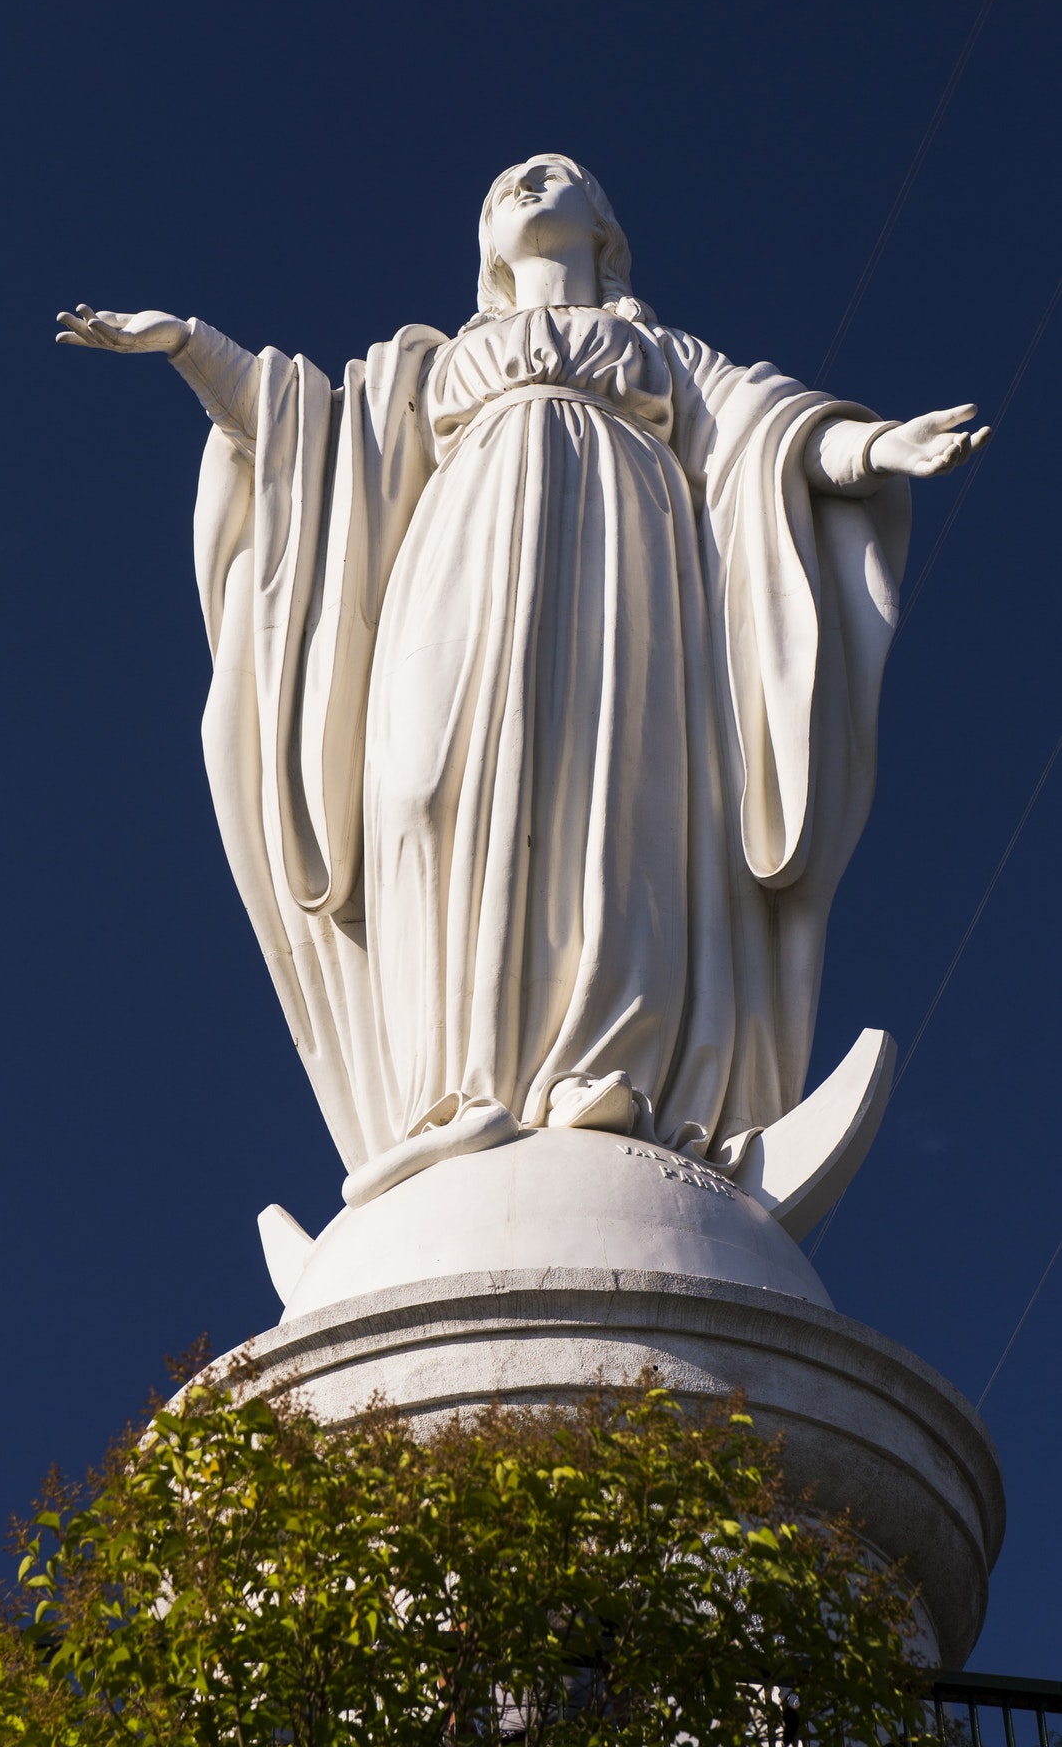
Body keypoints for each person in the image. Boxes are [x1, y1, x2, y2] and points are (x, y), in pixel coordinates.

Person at [57, 155, 989, 1208]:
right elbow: (302, 436)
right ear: (487, 247)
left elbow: (766, 434)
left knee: (615, 792)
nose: (528, 183)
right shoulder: (429, 364)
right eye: (506, 183)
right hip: (456, 551)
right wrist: (190, 346)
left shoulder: (659, 352)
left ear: (606, 229)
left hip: (628, 560)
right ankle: (450, 1091)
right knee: (416, 786)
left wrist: (871, 446)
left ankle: (612, 1071)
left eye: (556, 176)